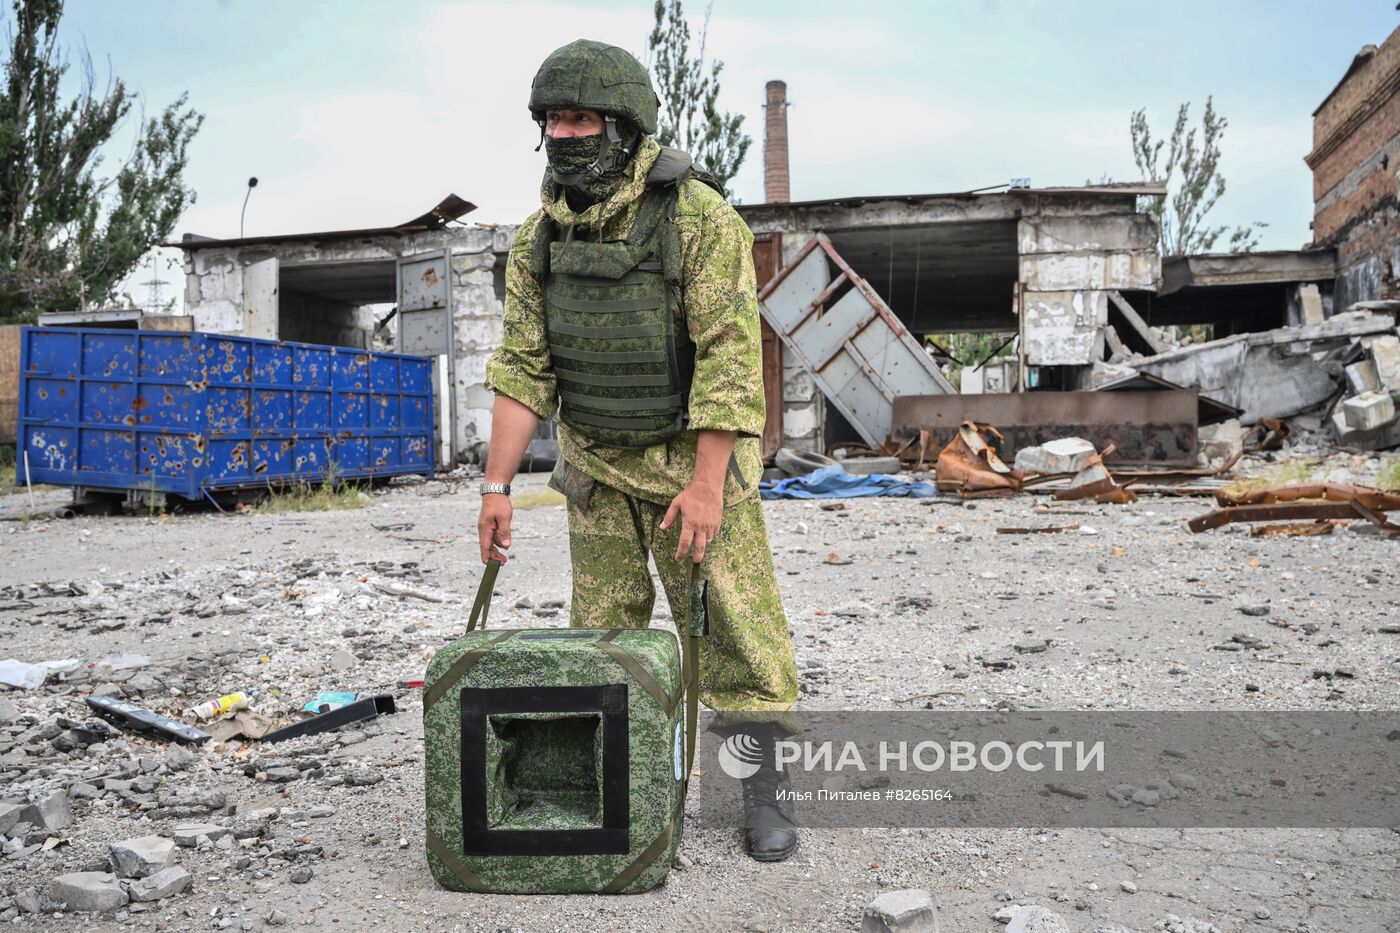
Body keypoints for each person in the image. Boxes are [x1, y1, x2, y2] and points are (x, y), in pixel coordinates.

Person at [477, 38, 799, 862]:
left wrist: (707, 484)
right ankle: (623, 781)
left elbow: (731, 354)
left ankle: (762, 791)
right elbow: (522, 367)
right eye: (552, 119)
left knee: (735, 631)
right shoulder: (537, 241)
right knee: (605, 638)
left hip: (697, 462)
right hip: (598, 469)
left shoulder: (696, 218)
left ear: (623, 125)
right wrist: (496, 486)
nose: (565, 134)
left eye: (582, 117)